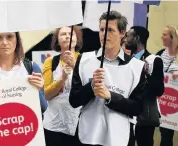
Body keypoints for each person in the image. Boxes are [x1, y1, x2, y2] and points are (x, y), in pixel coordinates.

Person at [69, 11, 146, 146]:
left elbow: (138, 108)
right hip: (88, 135)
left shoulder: (136, 67)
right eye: (102, 29)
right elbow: (74, 100)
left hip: (119, 137)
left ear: (122, 33)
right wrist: (91, 86)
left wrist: (110, 96)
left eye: (110, 30)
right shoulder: (84, 60)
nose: (104, 34)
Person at [42, 25, 83, 146]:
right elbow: (46, 95)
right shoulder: (50, 62)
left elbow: (89, 89)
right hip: (53, 125)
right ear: (57, 41)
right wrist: (62, 79)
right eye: (63, 34)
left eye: (71, 34)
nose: (67, 36)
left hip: (78, 124)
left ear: (77, 39)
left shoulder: (85, 59)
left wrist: (75, 67)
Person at [124, 26, 164, 146]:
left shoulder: (154, 60)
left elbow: (159, 90)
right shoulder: (124, 60)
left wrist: (146, 75)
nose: (125, 39)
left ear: (136, 38)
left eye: (128, 36)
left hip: (144, 118)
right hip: (125, 114)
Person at [157, 25, 178, 146]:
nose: (161, 37)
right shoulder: (160, 53)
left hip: (173, 102)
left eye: (164, 35)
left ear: (172, 38)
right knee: (163, 132)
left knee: (167, 135)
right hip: (161, 99)